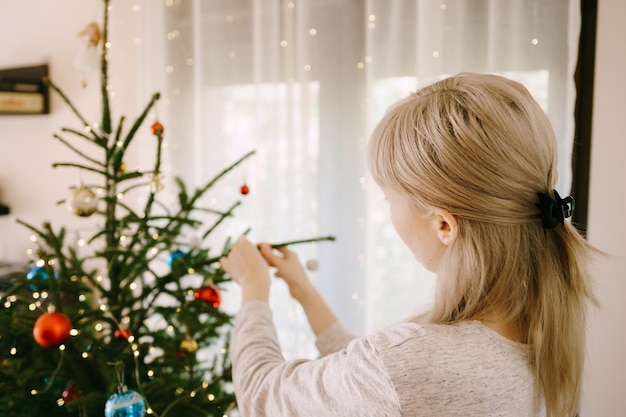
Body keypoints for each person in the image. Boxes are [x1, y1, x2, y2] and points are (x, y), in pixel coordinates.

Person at [220, 73, 598, 417]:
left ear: (444, 224)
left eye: (389, 198)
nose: (390, 211)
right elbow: (377, 384)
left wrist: (254, 288)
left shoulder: (415, 361)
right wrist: (302, 288)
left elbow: (261, 396)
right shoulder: (541, 329)